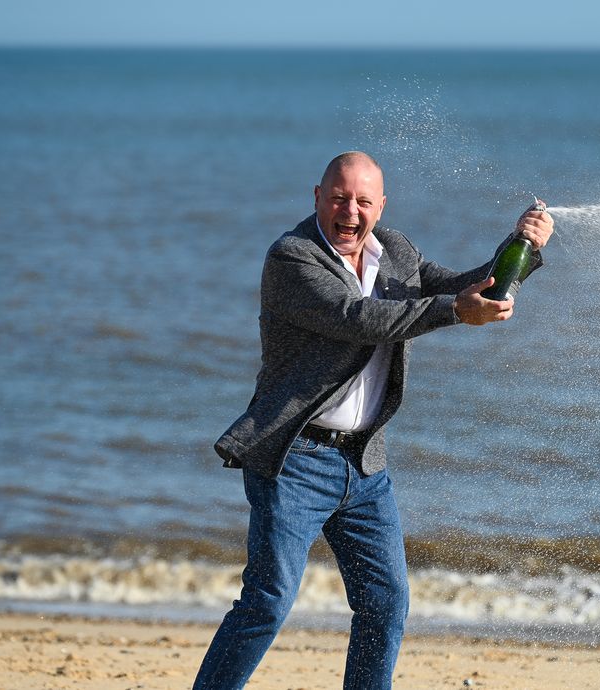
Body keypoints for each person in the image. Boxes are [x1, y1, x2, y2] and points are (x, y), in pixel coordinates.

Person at [193, 151, 554, 690]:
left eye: (364, 201)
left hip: (364, 466)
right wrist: (456, 311)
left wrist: (520, 247)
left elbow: (462, 285)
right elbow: (359, 318)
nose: (351, 211)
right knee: (267, 602)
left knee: (385, 607)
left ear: (380, 205)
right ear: (317, 197)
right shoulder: (292, 258)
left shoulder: (397, 251)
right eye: (339, 198)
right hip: (294, 461)